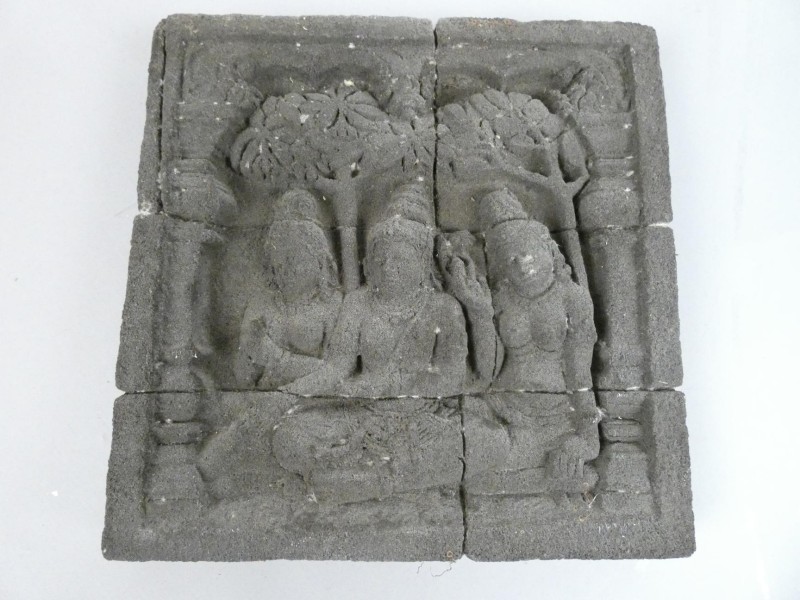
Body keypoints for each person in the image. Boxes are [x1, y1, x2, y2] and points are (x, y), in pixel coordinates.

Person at [285, 184, 468, 398]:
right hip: (366, 404)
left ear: (422, 265)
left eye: (400, 259)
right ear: (368, 266)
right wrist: (290, 393)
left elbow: (452, 378)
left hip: (422, 410)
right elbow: (336, 368)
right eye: (380, 259)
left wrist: (387, 385)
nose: (388, 267)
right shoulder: (357, 303)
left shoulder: (444, 308)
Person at [234, 189, 342, 389]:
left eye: (294, 258)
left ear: (319, 263)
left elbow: (334, 372)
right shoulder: (261, 303)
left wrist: (275, 358)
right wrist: (250, 356)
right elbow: (243, 376)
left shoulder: (331, 303)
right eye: (278, 260)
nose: (286, 269)